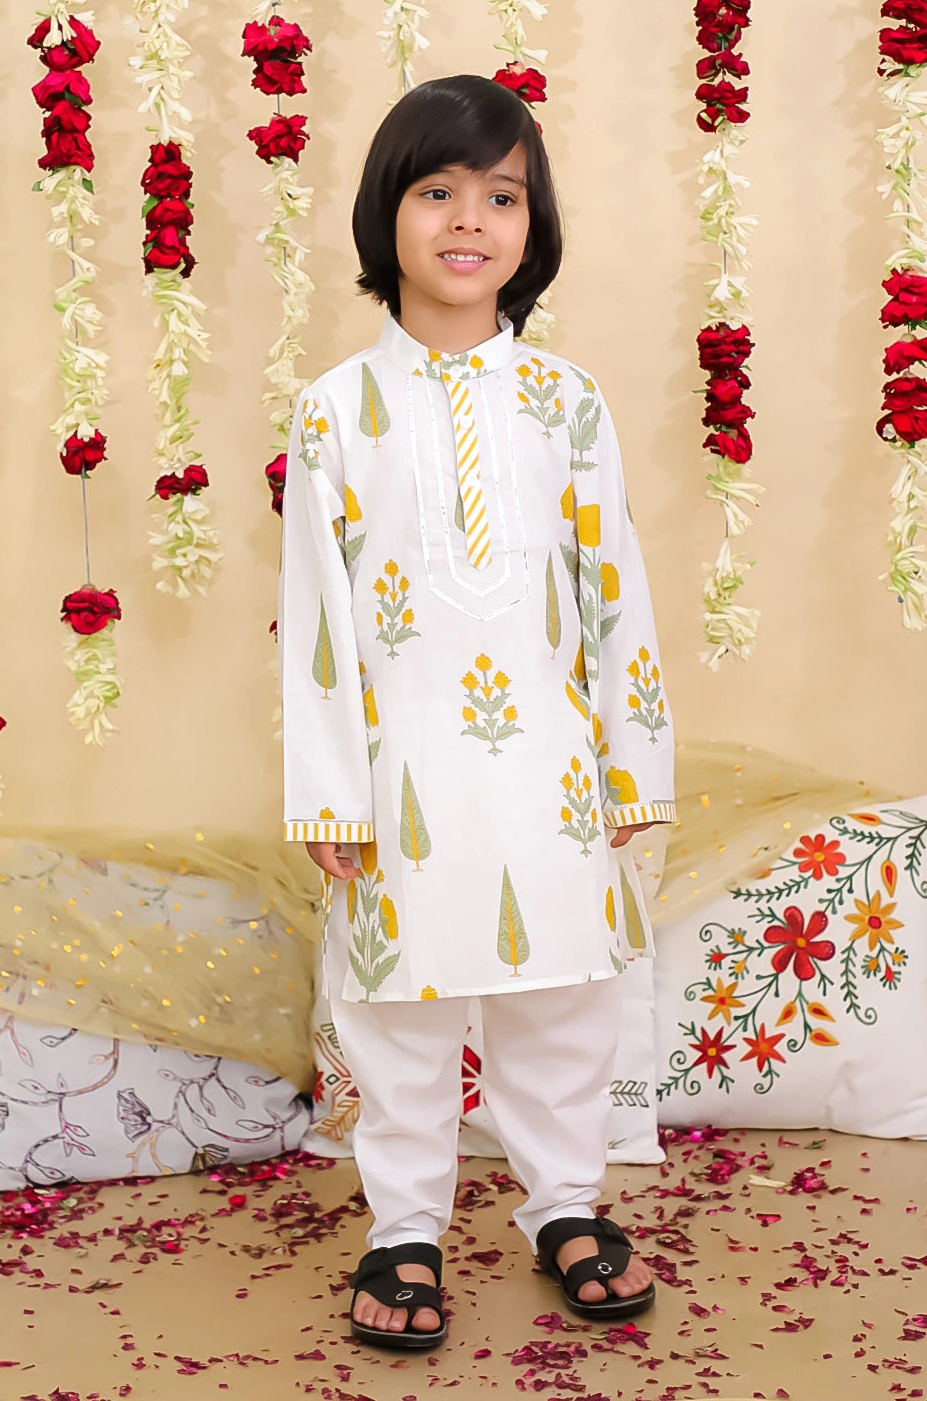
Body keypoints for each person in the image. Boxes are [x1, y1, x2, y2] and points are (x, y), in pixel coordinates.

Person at [276, 73, 675, 1350]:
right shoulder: (337, 411)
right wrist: (330, 793)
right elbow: (319, 618)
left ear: (532, 225)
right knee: (399, 1009)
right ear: (385, 213)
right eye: (437, 191)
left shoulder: (567, 402)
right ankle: (403, 1230)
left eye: (502, 197)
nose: (468, 221)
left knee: (563, 1000)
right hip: (401, 769)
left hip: (552, 765)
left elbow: (614, 588)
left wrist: (633, 763)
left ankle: (567, 1208)